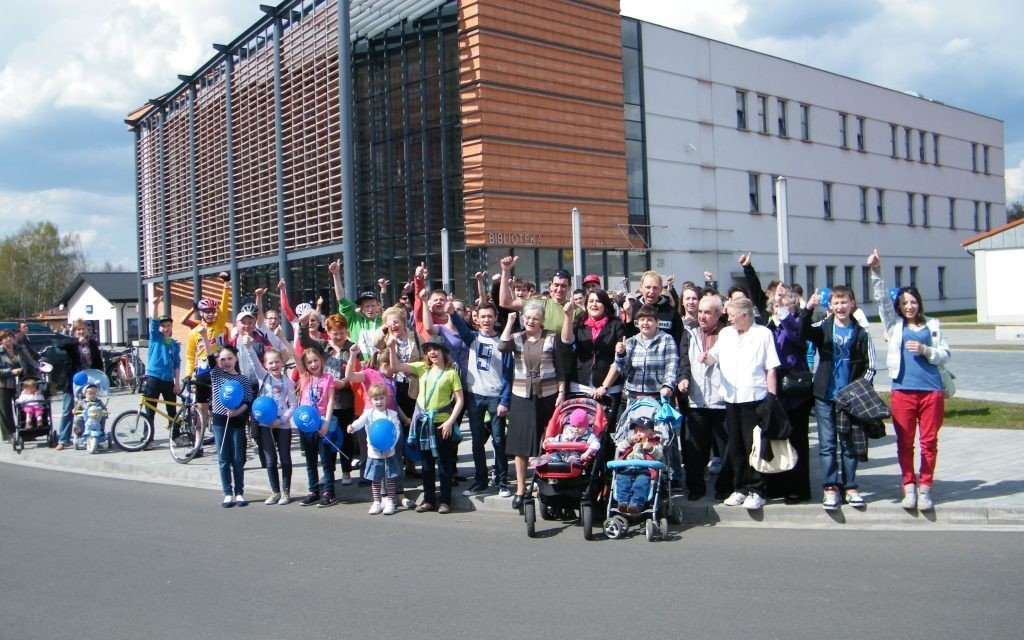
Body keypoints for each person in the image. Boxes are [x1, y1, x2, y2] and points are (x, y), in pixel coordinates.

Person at [869, 249, 949, 510]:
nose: (909, 306)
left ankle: (925, 487)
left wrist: (926, 351)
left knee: (929, 442)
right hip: (903, 390)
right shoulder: (895, 327)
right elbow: (881, 301)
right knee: (905, 442)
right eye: (904, 303)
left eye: (912, 301)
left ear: (919, 303)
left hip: (931, 391)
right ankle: (909, 487)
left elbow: (945, 354)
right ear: (900, 306)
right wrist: (876, 272)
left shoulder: (933, 326)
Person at [800, 285, 876, 511]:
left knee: (848, 443)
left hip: (849, 398)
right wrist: (808, 307)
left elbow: (870, 366)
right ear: (830, 306)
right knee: (827, 444)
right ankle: (830, 487)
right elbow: (802, 331)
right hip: (824, 395)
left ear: (852, 304)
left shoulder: (860, 332)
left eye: (845, 302)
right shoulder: (824, 327)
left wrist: (859, 390)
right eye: (836, 302)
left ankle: (850, 486)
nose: (841, 306)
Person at [701, 297, 780, 511]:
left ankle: (757, 489)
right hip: (731, 399)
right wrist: (705, 357)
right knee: (734, 446)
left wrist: (772, 399)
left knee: (752, 446)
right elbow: (714, 357)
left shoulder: (763, 334)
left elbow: (771, 368)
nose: (729, 319)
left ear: (745, 315)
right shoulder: (726, 334)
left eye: (732, 315)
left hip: (754, 399)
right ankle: (740, 487)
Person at [498, 302, 565, 510]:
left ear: (542, 320)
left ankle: (543, 484)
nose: (530, 321)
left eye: (535, 318)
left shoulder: (552, 337)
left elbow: (561, 368)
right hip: (521, 396)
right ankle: (520, 488)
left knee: (547, 443)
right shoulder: (517, 338)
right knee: (521, 445)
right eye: (527, 317)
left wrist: (561, 392)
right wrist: (509, 324)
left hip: (548, 394)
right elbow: (502, 346)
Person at [388, 335, 464, 514]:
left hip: (441, 424)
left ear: (444, 352)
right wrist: (391, 348)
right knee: (427, 464)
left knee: (444, 464)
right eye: (429, 350)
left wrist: (449, 422)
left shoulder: (451, 373)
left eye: (435, 349)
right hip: (423, 423)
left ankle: (445, 500)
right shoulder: (422, 368)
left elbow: (459, 401)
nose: (432, 352)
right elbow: (396, 367)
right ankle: (429, 499)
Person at [449, 302, 512, 497]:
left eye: (490, 316)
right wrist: (452, 313)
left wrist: (505, 400)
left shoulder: (503, 341)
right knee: (477, 441)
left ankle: (502, 481)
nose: (486, 320)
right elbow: (460, 328)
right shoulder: (473, 338)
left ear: (495, 318)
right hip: (475, 395)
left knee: (499, 440)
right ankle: (480, 480)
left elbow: (508, 373)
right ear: (477, 319)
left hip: (496, 397)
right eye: (482, 316)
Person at [683, 295, 731, 501]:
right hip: (697, 398)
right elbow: (683, 361)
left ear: (718, 314)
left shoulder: (728, 335)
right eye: (700, 312)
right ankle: (695, 488)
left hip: (722, 399)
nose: (702, 316)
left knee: (726, 448)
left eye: (707, 312)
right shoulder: (690, 333)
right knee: (694, 448)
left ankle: (725, 488)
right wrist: (682, 379)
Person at [199, 328, 255, 508]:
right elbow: (209, 356)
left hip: (237, 422)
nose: (226, 362)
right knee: (224, 459)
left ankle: (239, 492)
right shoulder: (216, 374)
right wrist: (204, 337)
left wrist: (238, 412)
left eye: (229, 358)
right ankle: (227, 493)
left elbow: (248, 401)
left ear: (236, 359)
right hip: (220, 421)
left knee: (238, 459)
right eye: (222, 359)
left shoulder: (242, 379)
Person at [239, 342, 297, 506]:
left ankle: (286, 491)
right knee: (270, 460)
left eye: (277, 362)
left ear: (282, 362)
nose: (274, 365)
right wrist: (249, 346)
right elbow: (253, 361)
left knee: (285, 459)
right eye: (270, 363)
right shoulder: (262, 376)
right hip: (265, 425)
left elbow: (293, 405)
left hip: (283, 426)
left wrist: (282, 420)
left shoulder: (288, 382)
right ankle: (275, 491)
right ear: (265, 365)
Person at [561, 289, 626, 419]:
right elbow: (567, 340)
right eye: (591, 301)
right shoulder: (579, 322)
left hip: (608, 386)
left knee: (606, 430)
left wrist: (604, 387)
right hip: (580, 385)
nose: (594, 304)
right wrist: (568, 316)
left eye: (598, 301)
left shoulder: (616, 324)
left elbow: (619, 359)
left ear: (606, 305)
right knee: (578, 427)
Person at [183, 274, 232, 436]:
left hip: (219, 369)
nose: (212, 314)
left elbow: (224, 305)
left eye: (213, 311)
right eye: (208, 312)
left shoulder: (219, 324)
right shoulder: (194, 333)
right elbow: (190, 356)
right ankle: (198, 440)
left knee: (224, 403)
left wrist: (226, 284)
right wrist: (188, 374)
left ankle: (226, 433)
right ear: (201, 313)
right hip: (202, 371)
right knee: (201, 407)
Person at [347, 382, 403, 515]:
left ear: (386, 399)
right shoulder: (368, 413)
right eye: (375, 399)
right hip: (374, 453)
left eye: (381, 398)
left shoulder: (392, 415)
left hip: (389, 453)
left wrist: (390, 447)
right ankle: (377, 501)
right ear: (370, 400)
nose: (379, 401)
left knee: (389, 479)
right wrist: (353, 427)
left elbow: (396, 433)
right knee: (375, 479)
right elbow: (360, 422)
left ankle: (390, 501)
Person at [294, 345, 339, 507]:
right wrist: (283, 338)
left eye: (315, 361)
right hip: (306, 424)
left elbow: (330, 401)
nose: (313, 365)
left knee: (326, 460)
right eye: (309, 362)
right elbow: (294, 355)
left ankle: (329, 492)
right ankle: (313, 490)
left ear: (321, 360)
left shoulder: (328, 378)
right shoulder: (305, 377)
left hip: (321, 423)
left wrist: (326, 422)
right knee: (310, 460)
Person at [57, 320, 104, 450]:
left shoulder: (92, 344)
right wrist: (77, 341)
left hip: (89, 381)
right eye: (78, 329)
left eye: (83, 329)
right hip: (72, 381)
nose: (81, 331)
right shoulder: (71, 343)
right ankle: (63, 439)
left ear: (87, 330)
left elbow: (98, 361)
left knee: (91, 408)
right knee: (68, 410)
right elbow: (60, 345)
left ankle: (91, 434)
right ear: (74, 331)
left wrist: (100, 377)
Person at [498, 255, 576, 332]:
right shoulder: (539, 304)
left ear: (569, 287)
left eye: (563, 286)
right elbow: (505, 302)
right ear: (551, 285)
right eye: (556, 285)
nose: (559, 289)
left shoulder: (577, 310)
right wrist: (505, 271)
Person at [329, 259, 384, 360]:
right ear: (361, 308)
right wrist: (336, 275)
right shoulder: (355, 320)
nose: (370, 309)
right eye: (367, 306)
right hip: (358, 368)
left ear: (378, 306)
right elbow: (341, 298)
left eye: (373, 305)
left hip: (380, 368)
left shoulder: (384, 322)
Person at [144, 294, 182, 438]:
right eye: (163, 326)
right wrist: (155, 305)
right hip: (154, 378)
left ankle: (175, 436)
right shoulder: (155, 338)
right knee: (150, 409)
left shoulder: (174, 344)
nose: (165, 328)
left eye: (168, 326)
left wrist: (177, 382)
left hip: (168, 380)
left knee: (172, 409)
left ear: (171, 326)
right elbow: (153, 323)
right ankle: (147, 437)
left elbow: (177, 364)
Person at [614, 416, 664, 513]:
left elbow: (660, 456)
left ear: (651, 433)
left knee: (641, 484)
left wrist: (650, 449)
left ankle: (635, 504)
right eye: (636, 431)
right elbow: (619, 448)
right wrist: (629, 441)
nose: (638, 433)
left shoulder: (654, 442)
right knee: (622, 480)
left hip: (644, 470)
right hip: (627, 468)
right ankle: (623, 503)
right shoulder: (630, 441)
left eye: (642, 430)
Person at [1, 330, 39, 442]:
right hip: (3, 384)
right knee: (5, 410)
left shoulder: (20, 348)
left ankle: (26, 432)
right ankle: (9, 435)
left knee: (24, 407)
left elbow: (31, 361)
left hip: (21, 383)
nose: (8, 339)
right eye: (5, 338)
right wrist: (11, 372)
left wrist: (39, 367)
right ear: (1, 340)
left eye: (10, 337)